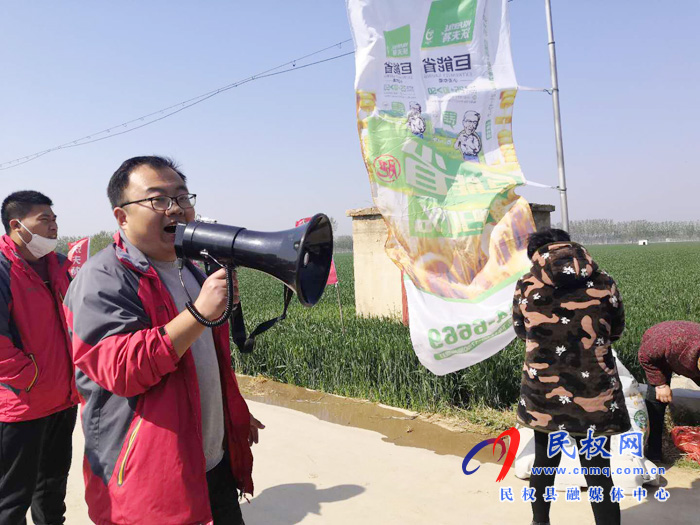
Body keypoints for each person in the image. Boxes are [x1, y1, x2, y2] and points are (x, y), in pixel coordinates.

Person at [64, 156, 263, 525]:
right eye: (158, 199)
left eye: (183, 197)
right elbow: (122, 370)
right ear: (122, 217)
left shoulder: (190, 270)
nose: (175, 208)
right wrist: (199, 313)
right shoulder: (102, 278)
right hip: (150, 479)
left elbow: (205, 359)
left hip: (212, 464)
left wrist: (231, 411)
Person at [513, 228, 630, 525]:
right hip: (595, 391)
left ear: (537, 254)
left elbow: (520, 329)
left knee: (544, 463)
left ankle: (540, 522)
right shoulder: (604, 282)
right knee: (597, 471)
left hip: (544, 391)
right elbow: (616, 329)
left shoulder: (526, 284)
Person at [0, 190, 79, 524]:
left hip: (64, 398)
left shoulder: (59, 265)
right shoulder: (4, 269)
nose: (54, 226)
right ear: (16, 225)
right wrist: (31, 378)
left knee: (52, 491)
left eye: (55, 219)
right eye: (44, 219)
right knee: (12, 498)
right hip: (23, 404)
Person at [637, 320, 700, 461]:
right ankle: (653, 453)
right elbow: (644, 356)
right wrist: (660, 384)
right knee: (657, 401)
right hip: (659, 356)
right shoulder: (666, 344)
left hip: (687, 354)